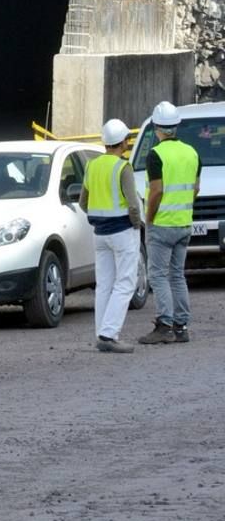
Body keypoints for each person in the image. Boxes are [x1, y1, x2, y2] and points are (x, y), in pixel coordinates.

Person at [138, 100, 201, 345]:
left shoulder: (156, 155)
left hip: (162, 224)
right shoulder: (192, 152)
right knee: (177, 275)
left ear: (157, 127)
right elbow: (195, 188)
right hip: (184, 223)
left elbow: (156, 191)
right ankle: (182, 326)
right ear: (176, 126)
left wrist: (150, 218)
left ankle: (164, 325)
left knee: (158, 276)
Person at [79, 118, 143, 353]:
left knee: (104, 284)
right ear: (123, 142)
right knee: (126, 282)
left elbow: (83, 201)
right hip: (122, 231)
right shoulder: (122, 167)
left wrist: (99, 215)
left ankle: (101, 332)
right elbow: (133, 205)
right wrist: (137, 225)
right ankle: (109, 334)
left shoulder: (91, 166)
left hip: (99, 233)